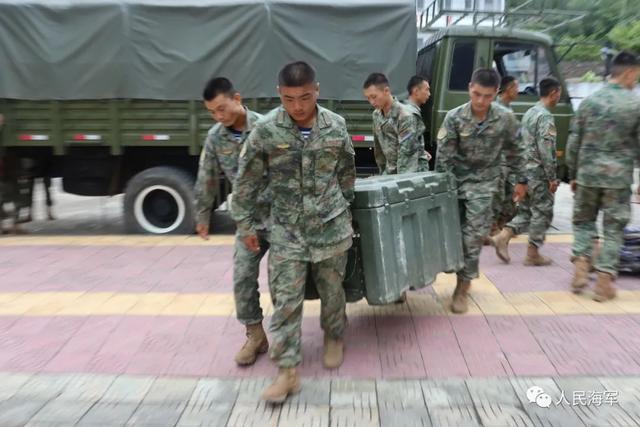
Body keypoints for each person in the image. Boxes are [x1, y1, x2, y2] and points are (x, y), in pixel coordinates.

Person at [232, 61, 356, 403]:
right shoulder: (267, 130)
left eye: (304, 97)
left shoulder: (336, 125)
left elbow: (346, 171)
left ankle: (334, 335)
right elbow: (246, 182)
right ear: (279, 95)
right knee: (286, 302)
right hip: (286, 231)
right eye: (288, 99)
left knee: (333, 291)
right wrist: (245, 225)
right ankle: (287, 372)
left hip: (331, 228)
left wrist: (343, 207)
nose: (297, 106)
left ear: (317, 90)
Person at [435, 68, 528, 314]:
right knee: (452, 236)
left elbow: (517, 149)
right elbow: (443, 160)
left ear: (496, 93)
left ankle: (462, 287)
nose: (480, 101)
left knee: (473, 236)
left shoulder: (506, 118)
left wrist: (522, 181)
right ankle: (455, 273)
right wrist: (441, 190)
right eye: (476, 94)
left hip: (485, 184)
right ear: (469, 88)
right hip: (455, 184)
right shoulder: (454, 118)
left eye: (487, 96)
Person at [194, 77, 270, 366]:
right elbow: (207, 176)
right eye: (212, 112)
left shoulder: (265, 128)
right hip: (247, 221)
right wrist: (202, 215)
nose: (219, 116)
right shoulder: (216, 136)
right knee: (242, 278)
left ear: (237, 98)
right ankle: (255, 335)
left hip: (280, 218)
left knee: (287, 280)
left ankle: (291, 334)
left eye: (222, 109)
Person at [566, 52, 640, 301]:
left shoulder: (589, 102)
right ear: (629, 72)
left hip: (587, 174)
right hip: (617, 180)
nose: (636, 81)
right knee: (613, 228)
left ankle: (580, 270)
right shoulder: (634, 105)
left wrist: (573, 173)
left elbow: (574, 141)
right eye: (636, 76)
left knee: (583, 221)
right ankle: (604, 283)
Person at [492, 77, 563, 266]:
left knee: (526, 212)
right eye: (559, 94)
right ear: (554, 93)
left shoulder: (530, 113)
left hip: (525, 172)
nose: (559, 98)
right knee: (543, 212)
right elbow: (546, 149)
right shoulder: (545, 116)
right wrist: (552, 178)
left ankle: (503, 236)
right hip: (539, 173)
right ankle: (533, 253)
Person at [363, 73, 430, 174]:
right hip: (391, 171)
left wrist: (399, 184)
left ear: (386, 91)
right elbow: (379, 150)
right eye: (368, 98)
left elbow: (407, 158)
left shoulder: (405, 117)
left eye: (374, 97)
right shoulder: (376, 115)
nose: (372, 102)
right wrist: (382, 174)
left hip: (411, 174)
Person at [404, 75, 433, 164]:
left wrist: (422, 152)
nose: (429, 94)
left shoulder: (411, 111)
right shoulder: (410, 114)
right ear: (416, 91)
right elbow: (407, 148)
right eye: (427, 90)